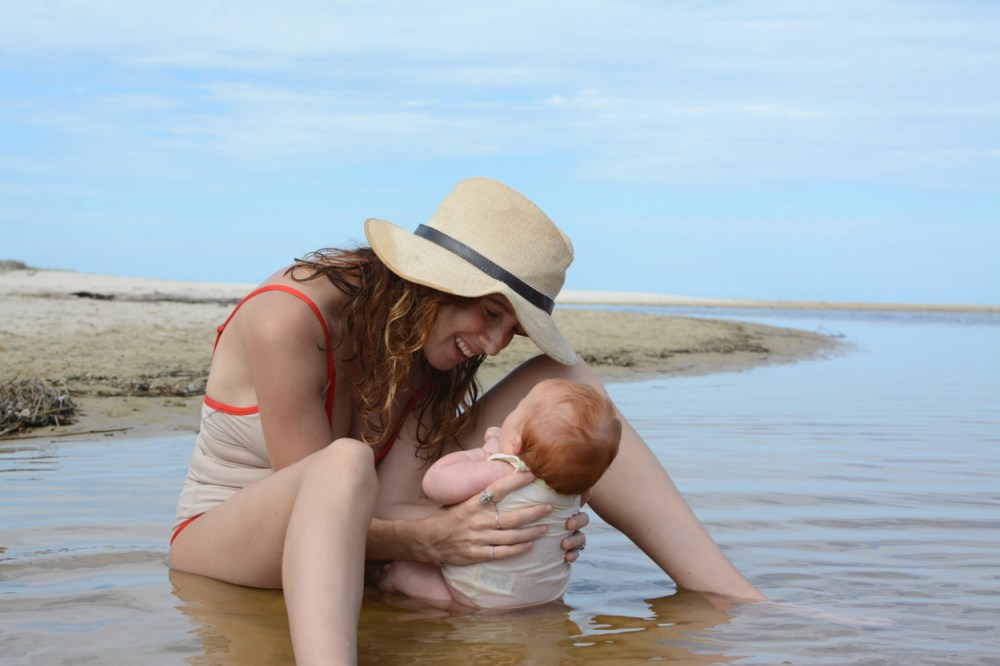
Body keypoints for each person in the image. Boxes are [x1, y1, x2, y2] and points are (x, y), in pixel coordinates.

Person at [168, 177, 764, 665]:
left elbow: (397, 501)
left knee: (570, 388)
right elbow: (320, 502)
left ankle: (733, 598)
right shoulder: (289, 321)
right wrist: (427, 541)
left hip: (368, 535)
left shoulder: (424, 342)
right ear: (434, 284)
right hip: (230, 539)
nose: (497, 344)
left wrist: (528, 511)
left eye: (514, 328)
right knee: (344, 461)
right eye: (489, 313)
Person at [377, 378, 621, 610]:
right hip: (546, 597)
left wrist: (482, 455)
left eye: (515, 410)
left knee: (403, 569)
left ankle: (384, 581)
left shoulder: (503, 470)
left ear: (514, 444)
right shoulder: (576, 494)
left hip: (471, 599)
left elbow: (434, 484)